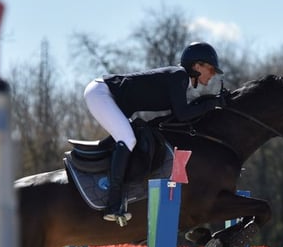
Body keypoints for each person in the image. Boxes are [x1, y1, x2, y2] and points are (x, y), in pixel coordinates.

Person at [84, 41, 229, 223]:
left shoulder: (181, 80)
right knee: (128, 139)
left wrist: (212, 103)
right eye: (211, 68)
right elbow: (183, 114)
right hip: (101, 93)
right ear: (196, 65)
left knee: (131, 138)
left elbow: (181, 114)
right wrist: (212, 103)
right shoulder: (179, 76)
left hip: (108, 96)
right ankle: (113, 204)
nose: (213, 73)